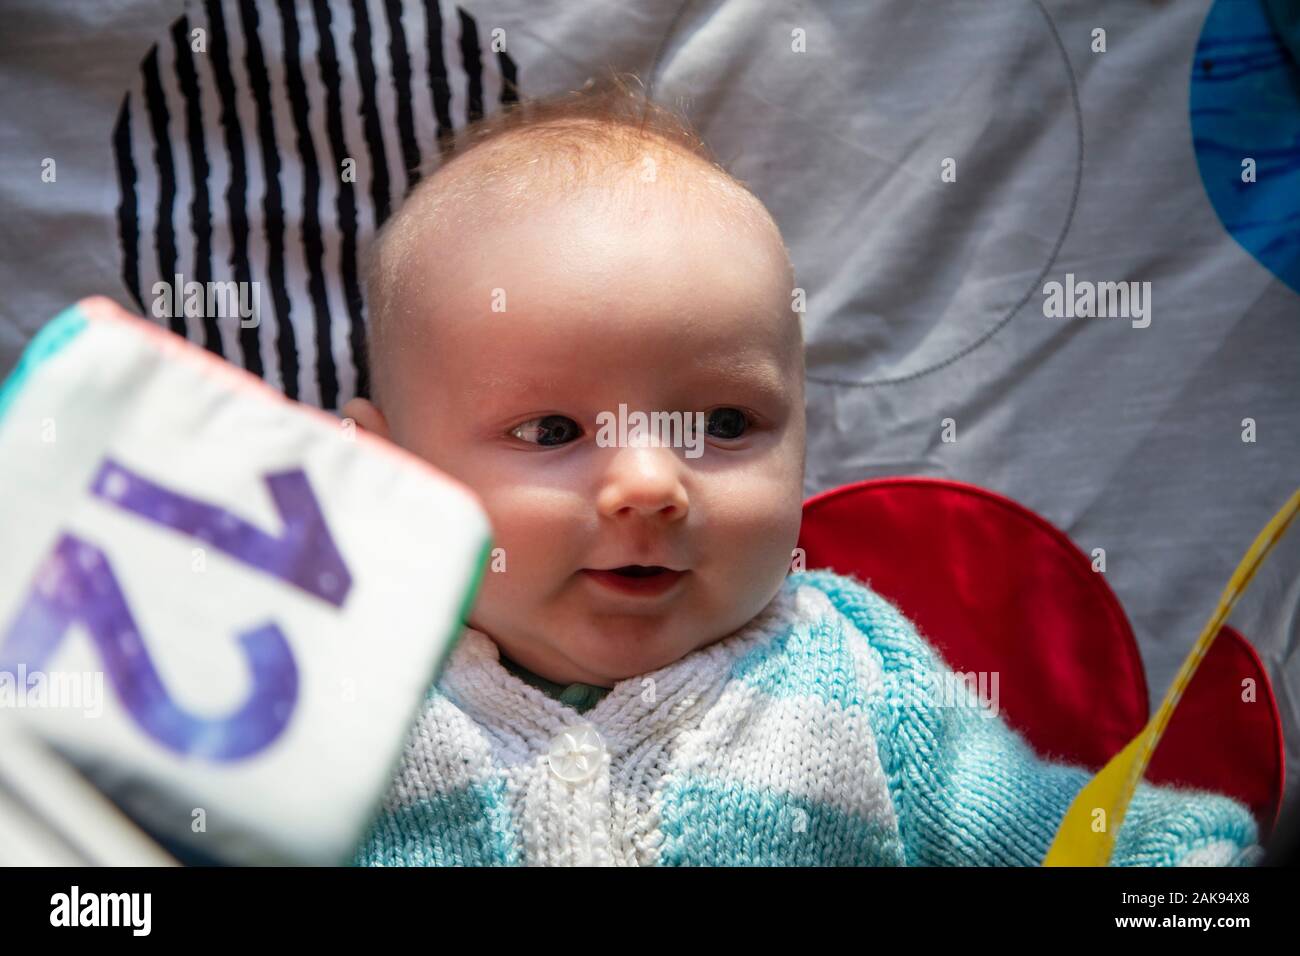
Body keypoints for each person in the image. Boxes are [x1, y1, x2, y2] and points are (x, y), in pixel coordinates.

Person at [340, 74, 1260, 866]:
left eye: (725, 422)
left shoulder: (863, 682)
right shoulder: (342, 691)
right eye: (550, 431)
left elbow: (1087, 841)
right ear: (388, 473)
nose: (653, 485)